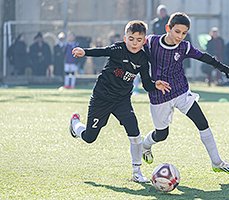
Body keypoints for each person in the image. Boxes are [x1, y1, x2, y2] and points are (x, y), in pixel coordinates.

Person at [69, 20, 171, 182]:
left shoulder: (143, 59)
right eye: (131, 39)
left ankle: (137, 173)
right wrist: (84, 52)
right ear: (125, 38)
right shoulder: (118, 49)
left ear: (144, 40)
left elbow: (146, 84)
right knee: (89, 137)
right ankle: (76, 125)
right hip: (102, 98)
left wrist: (155, 85)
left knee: (135, 134)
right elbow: (102, 51)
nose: (134, 43)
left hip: (122, 100)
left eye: (139, 40)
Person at [142, 12, 229, 174]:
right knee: (162, 134)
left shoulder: (185, 46)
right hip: (159, 96)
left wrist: (224, 68)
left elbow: (204, 57)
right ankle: (146, 145)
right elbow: (133, 48)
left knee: (202, 123)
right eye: (177, 31)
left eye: (184, 33)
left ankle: (217, 162)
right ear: (168, 28)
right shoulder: (152, 42)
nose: (180, 36)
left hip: (181, 92)